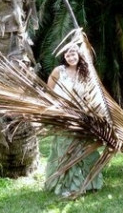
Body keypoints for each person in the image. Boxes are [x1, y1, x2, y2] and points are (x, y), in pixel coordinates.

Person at [44, 44, 103, 197]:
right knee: (66, 148)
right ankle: (68, 186)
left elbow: (91, 94)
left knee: (85, 147)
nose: (71, 57)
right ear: (64, 57)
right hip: (63, 115)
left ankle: (89, 182)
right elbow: (48, 92)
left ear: (79, 55)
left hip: (82, 115)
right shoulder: (58, 71)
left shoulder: (85, 72)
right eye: (68, 55)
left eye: (73, 54)